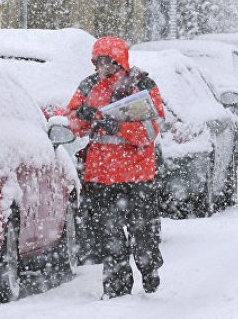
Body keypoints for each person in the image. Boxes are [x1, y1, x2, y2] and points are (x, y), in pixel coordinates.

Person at [67, 37, 166, 298]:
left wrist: (120, 127)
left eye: (107, 62)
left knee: (142, 231)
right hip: (100, 175)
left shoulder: (142, 84)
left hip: (137, 174)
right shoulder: (89, 86)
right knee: (109, 237)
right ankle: (116, 289)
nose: (102, 68)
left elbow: (151, 129)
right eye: (98, 62)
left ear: (119, 61)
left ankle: (148, 268)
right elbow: (70, 122)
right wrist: (82, 116)